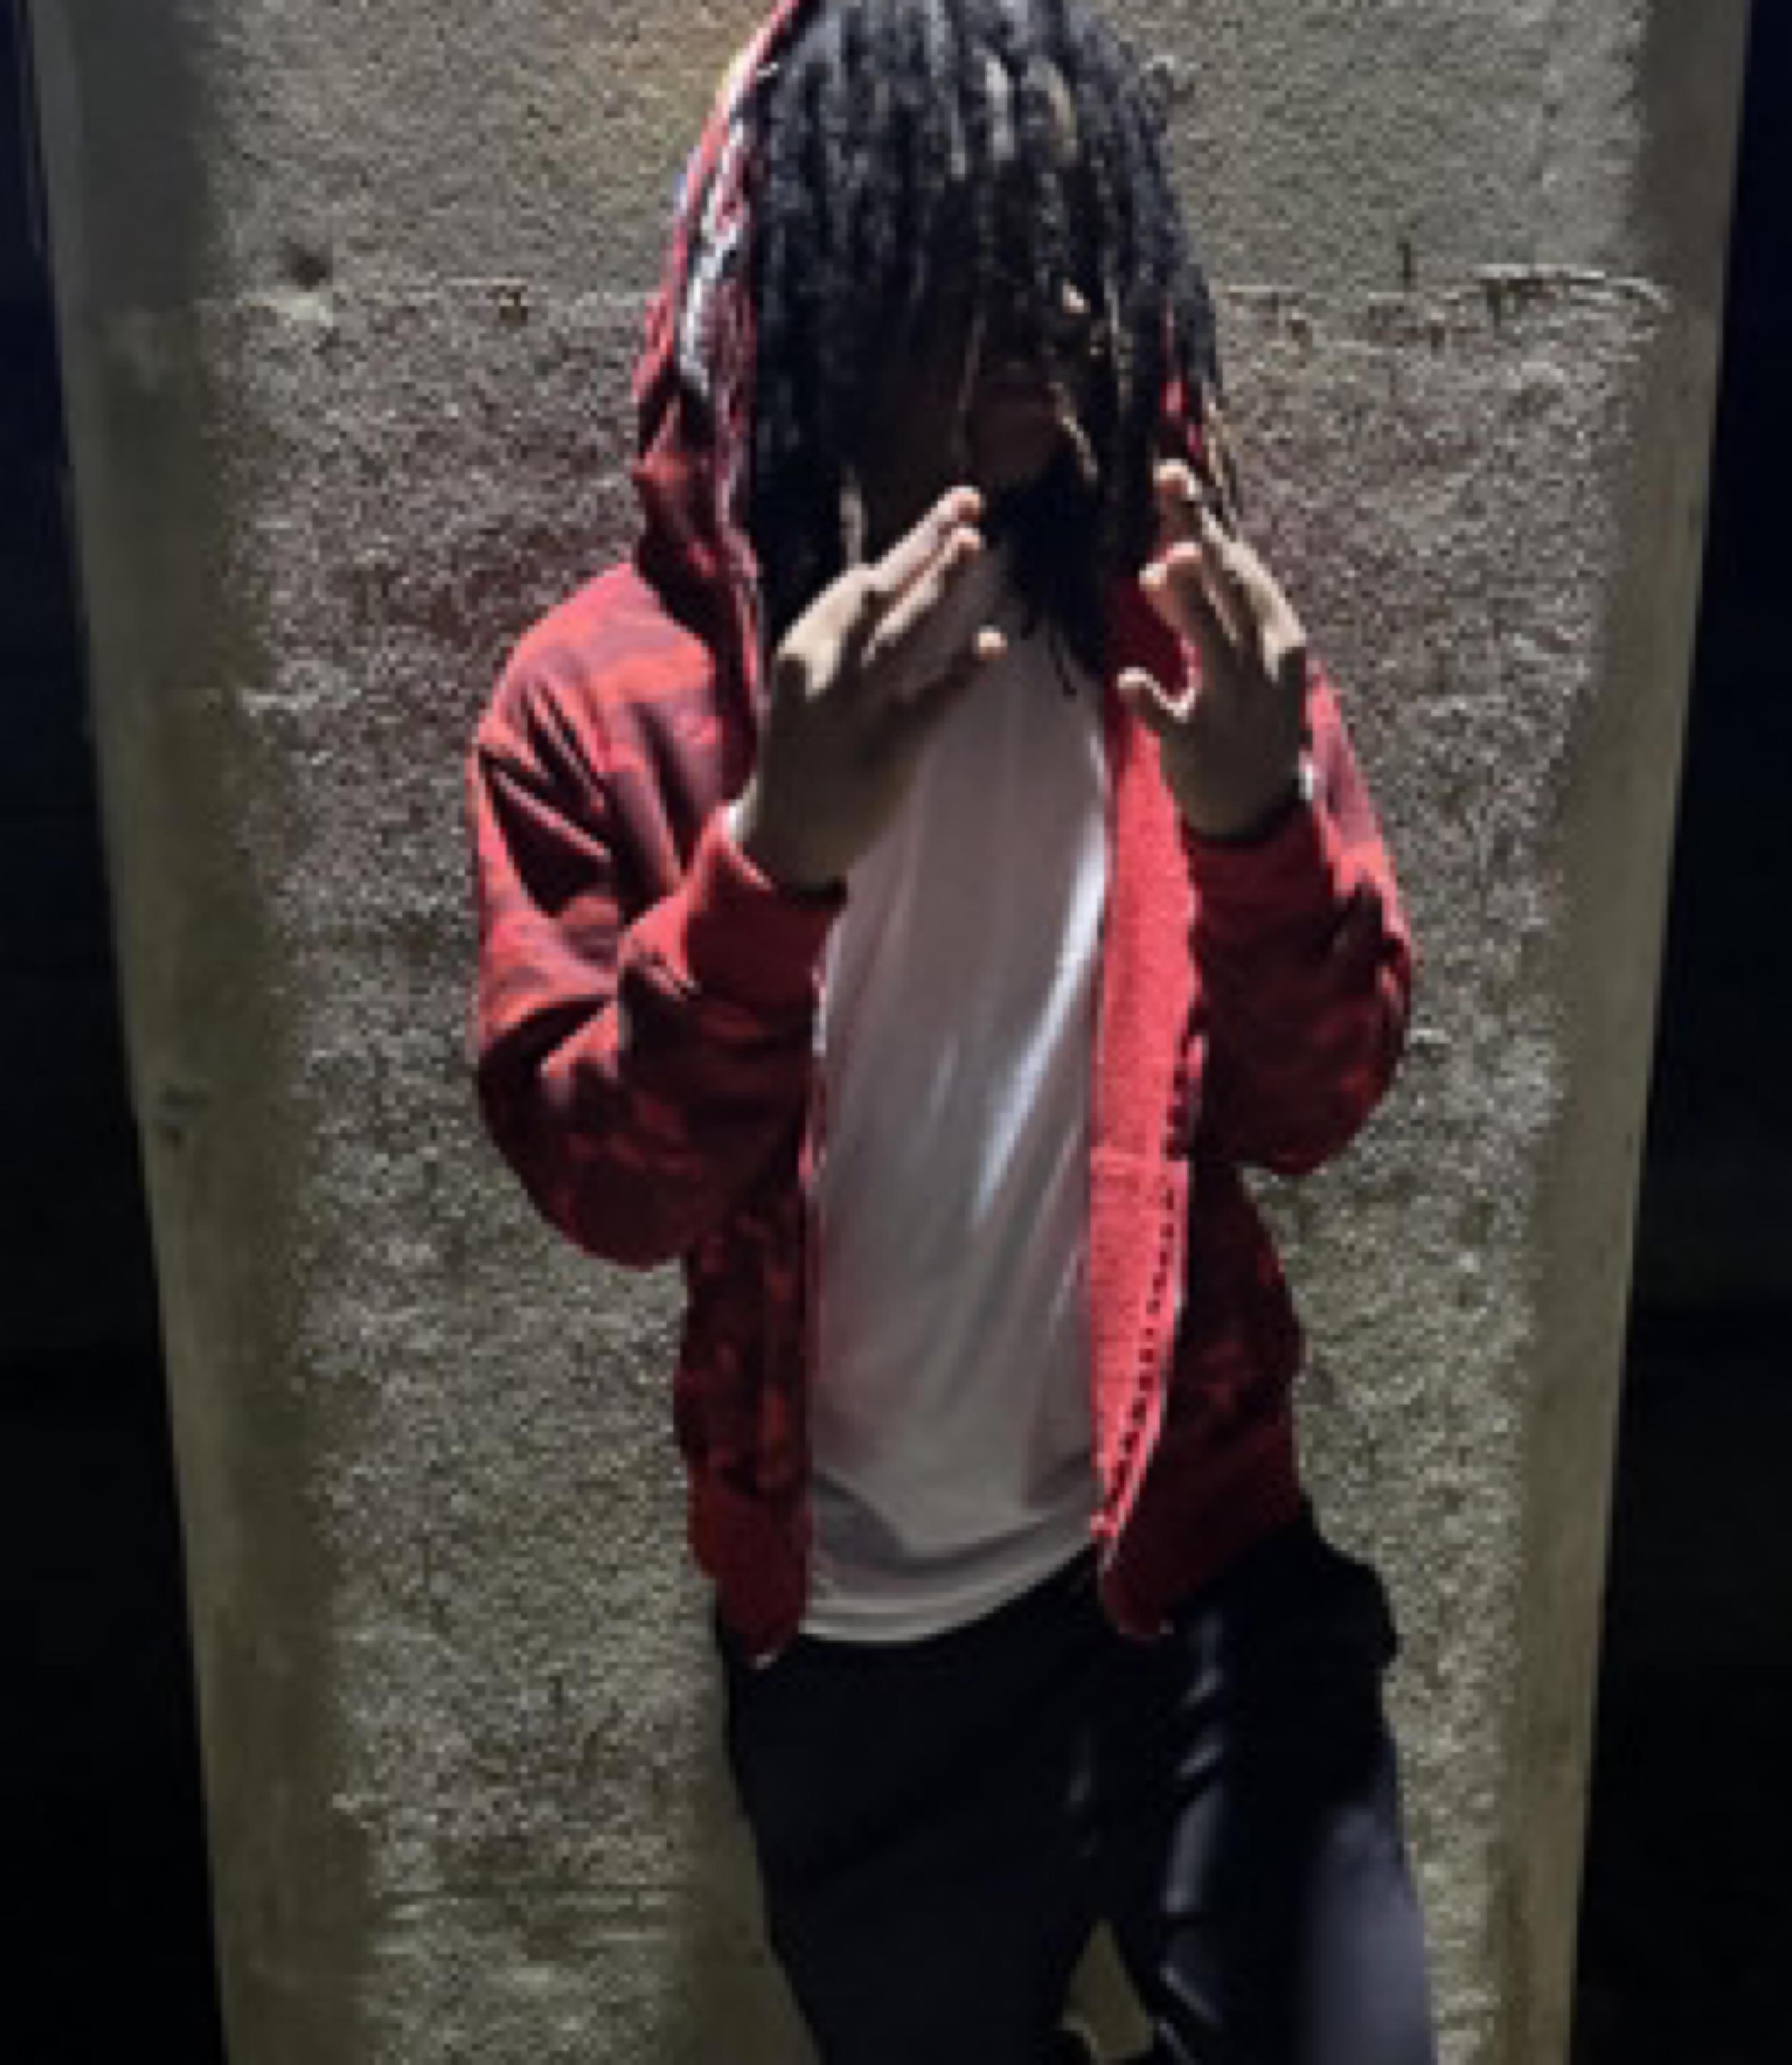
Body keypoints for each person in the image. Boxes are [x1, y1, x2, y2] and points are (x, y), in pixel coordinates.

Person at [468, 2, 1434, 2058]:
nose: (1056, 304)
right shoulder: (608, 699)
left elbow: (1323, 1102)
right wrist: (772, 865)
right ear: (829, 249)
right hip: (861, 1645)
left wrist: (1256, 832)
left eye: (1078, 244)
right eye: (981, 241)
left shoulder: (1178, 641)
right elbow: (610, 1193)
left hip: (1200, 1561)